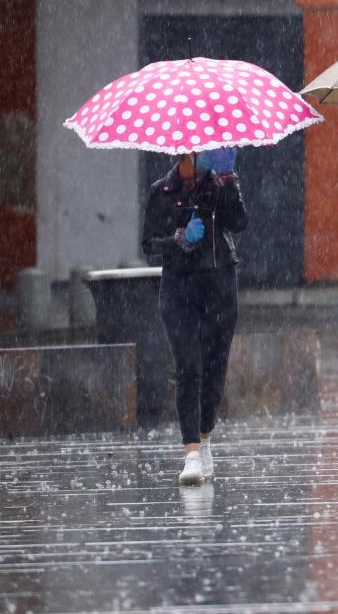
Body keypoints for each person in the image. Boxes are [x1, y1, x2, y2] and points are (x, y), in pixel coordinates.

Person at [141, 145, 245, 486]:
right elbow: (148, 244)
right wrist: (180, 239)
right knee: (189, 366)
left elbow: (239, 223)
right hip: (179, 288)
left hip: (219, 282)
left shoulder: (220, 184)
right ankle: (191, 453)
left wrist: (228, 182)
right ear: (188, 153)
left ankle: (205, 433)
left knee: (215, 365)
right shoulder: (162, 191)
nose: (214, 154)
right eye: (208, 151)